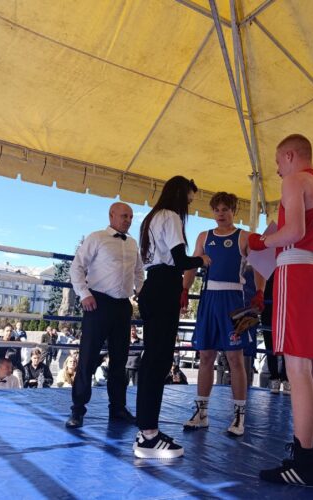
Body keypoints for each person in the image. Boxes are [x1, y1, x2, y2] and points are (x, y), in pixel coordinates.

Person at [249, 135, 313, 486]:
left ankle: (302, 461)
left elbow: (294, 230)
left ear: (288, 155)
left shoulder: (294, 180)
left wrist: (261, 241)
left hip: (296, 272)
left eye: (277, 162)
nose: (277, 170)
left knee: (297, 367)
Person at [133, 176, 210, 459]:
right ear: (180, 194)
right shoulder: (171, 217)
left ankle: (146, 430)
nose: (189, 204)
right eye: (189, 198)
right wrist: (202, 260)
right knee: (158, 360)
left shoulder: (151, 218)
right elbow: (180, 260)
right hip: (164, 286)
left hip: (153, 285)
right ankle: (148, 435)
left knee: (152, 359)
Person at [182, 192, 265, 437]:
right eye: (217, 209)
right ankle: (201, 413)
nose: (221, 214)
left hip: (233, 299)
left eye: (225, 209)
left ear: (233, 211)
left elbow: (260, 264)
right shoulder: (204, 236)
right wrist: (184, 289)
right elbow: (192, 265)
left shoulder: (244, 236)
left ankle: (239, 415)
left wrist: (260, 291)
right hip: (209, 298)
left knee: (235, 358)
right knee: (206, 356)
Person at [65, 202, 144, 429]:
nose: (128, 220)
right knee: (88, 359)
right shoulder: (97, 237)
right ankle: (77, 410)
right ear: (111, 215)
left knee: (120, 361)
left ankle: (118, 408)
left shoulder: (132, 243)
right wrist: (84, 294)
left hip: (122, 306)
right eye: (124, 216)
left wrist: (141, 291)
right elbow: (76, 267)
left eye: (130, 217)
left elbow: (139, 272)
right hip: (97, 303)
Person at [261, 276, 290, 395]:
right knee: (271, 344)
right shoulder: (266, 271)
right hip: (269, 308)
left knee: (285, 343)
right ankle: (277, 378)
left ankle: (284, 378)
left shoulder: (286, 270)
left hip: (282, 307)